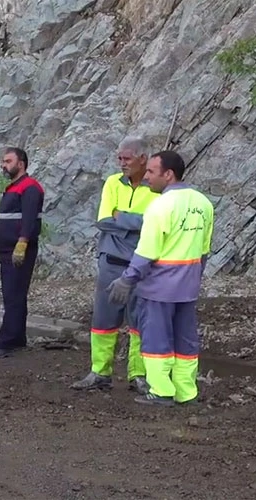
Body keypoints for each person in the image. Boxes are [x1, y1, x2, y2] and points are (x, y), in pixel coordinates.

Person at [107, 150, 214, 406]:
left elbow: (147, 252)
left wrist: (127, 279)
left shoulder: (160, 206)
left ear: (168, 174)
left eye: (152, 172)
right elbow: (204, 252)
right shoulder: (204, 203)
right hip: (187, 288)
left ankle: (161, 391)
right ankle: (186, 393)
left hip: (158, 289)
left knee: (156, 339)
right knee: (185, 341)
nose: (146, 178)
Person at [72, 137, 159, 394]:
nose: (121, 163)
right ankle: (100, 372)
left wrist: (122, 218)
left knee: (138, 322)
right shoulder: (112, 182)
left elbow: (154, 224)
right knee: (103, 319)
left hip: (141, 266)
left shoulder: (155, 187)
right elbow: (104, 220)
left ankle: (138, 375)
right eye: (119, 158)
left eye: (127, 158)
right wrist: (136, 223)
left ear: (143, 158)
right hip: (111, 263)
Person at [0, 147, 45, 359]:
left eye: (8, 161)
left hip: (18, 251)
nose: (3, 165)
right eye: (3, 161)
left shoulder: (30, 188)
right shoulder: (14, 188)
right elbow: (7, 220)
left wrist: (21, 245)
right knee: (14, 295)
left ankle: (7, 342)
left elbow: (29, 220)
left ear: (21, 163)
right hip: (7, 250)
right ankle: (17, 338)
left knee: (13, 296)